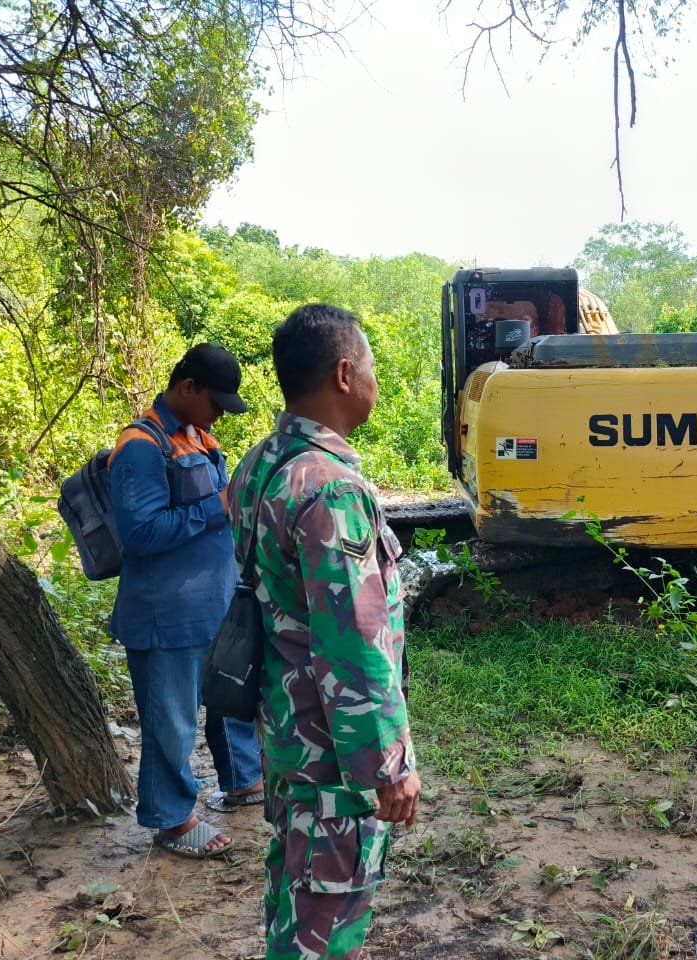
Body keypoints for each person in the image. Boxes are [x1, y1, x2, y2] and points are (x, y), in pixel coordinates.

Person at [227, 304, 420, 959]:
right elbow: (354, 642)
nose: (373, 379)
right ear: (344, 373)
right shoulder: (331, 489)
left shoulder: (260, 465)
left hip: (287, 735)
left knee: (295, 898)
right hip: (331, 757)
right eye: (369, 367)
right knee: (325, 925)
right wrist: (387, 766)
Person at [108, 343, 265, 858]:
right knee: (171, 721)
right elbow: (141, 534)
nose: (220, 412)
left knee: (230, 700)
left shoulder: (198, 436)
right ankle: (171, 821)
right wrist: (216, 505)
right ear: (187, 388)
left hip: (210, 607)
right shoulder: (140, 446)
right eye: (215, 401)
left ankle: (243, 782)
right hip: (165, 615)